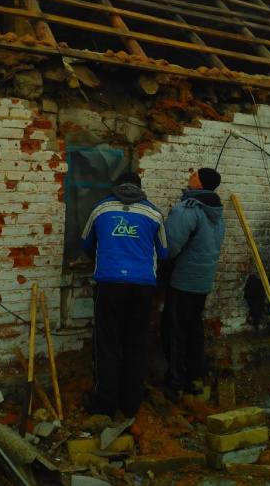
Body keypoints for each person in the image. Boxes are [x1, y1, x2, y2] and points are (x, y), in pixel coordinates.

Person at [80, 171, 168, 418]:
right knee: (136, 344)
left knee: (106, 344)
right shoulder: (153, 213)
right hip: (142, 286)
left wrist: (106, 253)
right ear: (140, 188)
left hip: (110, 284)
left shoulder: (100, 209)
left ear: (115, 187)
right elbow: (164, 252)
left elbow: (86, 243)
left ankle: (104, 404)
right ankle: (131, 405)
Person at [158, 168, 225, 403]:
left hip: (184, 280)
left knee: (174, 329)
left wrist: (158, 265)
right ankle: (194, 379)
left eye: (194, 174)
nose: (190, 176)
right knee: (194, 328)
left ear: (200, 183)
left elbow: (171, 246)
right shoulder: (216, 211)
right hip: (203, 280)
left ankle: (175, 383)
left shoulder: (187, 209)